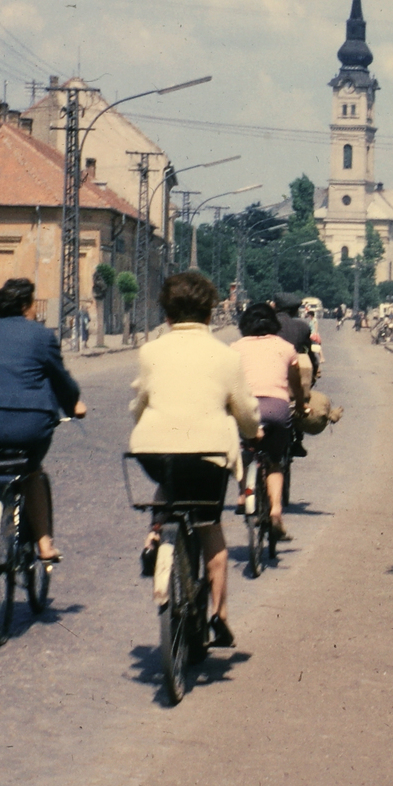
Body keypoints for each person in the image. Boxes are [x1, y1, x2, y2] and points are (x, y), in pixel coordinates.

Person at [130, 272, 261, 649]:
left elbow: (139, 405)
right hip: (209, 457)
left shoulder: (149, 351)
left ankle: (156, 534)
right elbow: (247, 415)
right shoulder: (226, 355)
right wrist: (252, 433)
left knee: (169, 482)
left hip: (154, 453)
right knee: (209, 528)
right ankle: (219, 614)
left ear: (167, 315)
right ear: (209, 313)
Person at [0, 276, 86, 568]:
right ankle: (44, 542)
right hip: (31, 426)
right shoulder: (41, 336)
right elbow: (61, 379)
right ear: (26, 306)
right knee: (32, 473)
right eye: (33, 307)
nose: (35, 314)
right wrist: (73, 404)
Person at [234, 301, 306, 542]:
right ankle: (275, 511)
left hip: (248, 410)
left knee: (246, 448)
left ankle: (244, 495)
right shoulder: (285, 347)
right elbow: (296, 381)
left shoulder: (235, 347)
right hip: (277, 409)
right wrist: (301, 402)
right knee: (275, 461)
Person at [273, 295, 316, 457]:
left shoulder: (268, 324)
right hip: (292, 372)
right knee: (300, 400)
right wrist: (314, 370)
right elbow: (309, 353)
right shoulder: (302, 327)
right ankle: (298, 440)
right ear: (295, 310)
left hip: (271, 370)